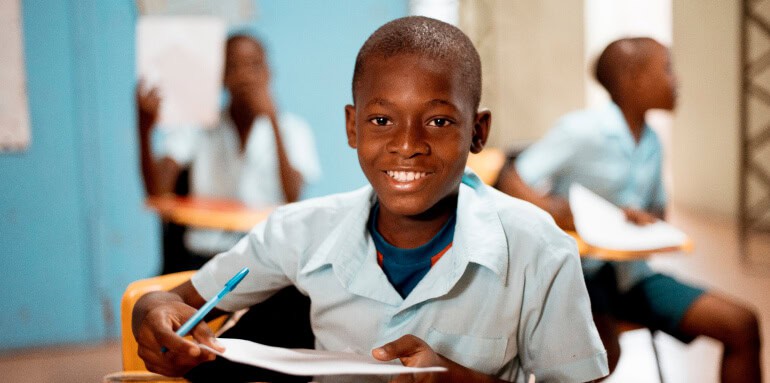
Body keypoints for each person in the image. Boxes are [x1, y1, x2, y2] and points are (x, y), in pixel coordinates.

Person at [132, 16, 609, 383]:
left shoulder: (539, 251)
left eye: (439, 121)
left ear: (478, 132)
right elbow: (171, 302)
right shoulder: (299, 231)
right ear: (352, 127)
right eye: (381, 121)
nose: (407, 143)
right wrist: (149, 313)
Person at [499, 37, 762, 382]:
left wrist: (643, 219)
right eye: (667, 69)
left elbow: (657, 215)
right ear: (633, 78)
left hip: (632, 279)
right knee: (603, 355)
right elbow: (511, 178)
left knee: (742, 324)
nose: (677, 81)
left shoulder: (652, 142)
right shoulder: (582, 130)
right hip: (581, 278)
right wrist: (561, 212)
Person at [137, 32, 321, 260]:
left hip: (267, 257)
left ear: (269, 73)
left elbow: (294, 195)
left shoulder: (293, 129)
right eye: (234, 66)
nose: (245, 76)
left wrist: (273, 121)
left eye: (254, 66)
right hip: (204, 255)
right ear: (221, 77)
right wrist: (144, 128)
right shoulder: (198, 126)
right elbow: (158, 193)